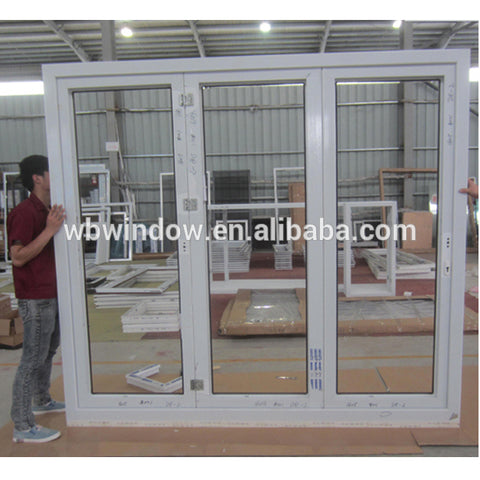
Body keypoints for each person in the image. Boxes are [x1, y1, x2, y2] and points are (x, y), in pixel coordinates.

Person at [7, 154, 66, 443]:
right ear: (37, 178)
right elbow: (18, 257)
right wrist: (50, 231)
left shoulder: (49, 210)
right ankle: (22, 424)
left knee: (48, 352)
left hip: (53, 293)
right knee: (32, 359)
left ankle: (41, 399)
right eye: (51, 171)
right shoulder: (24, 213)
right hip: (35, 297)